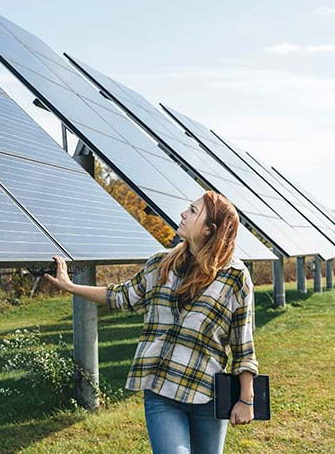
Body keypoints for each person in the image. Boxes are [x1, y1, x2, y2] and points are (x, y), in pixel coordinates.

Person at [44, 191, 258, 454]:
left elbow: (243, 345)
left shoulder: (236, 277)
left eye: (192, 211)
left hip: (207, 395)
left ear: (208, 230)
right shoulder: (161, 264)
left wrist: (246, 398)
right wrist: (72, 287)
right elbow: (120, 296)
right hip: (161, 391)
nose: (183, 213)